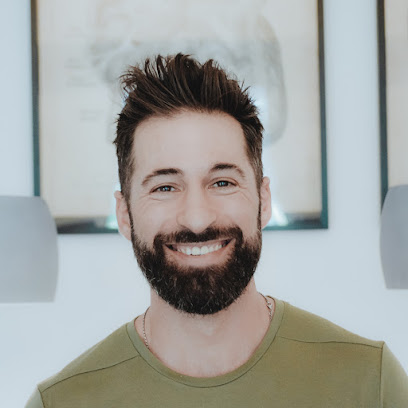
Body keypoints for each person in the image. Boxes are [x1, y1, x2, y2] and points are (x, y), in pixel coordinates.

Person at [26, 54, 408, 407]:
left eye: (222, 182)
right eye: (165, 187)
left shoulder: (370, 383)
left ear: (263, 200)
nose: (197, 219)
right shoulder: (60, 402)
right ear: (124, 214)